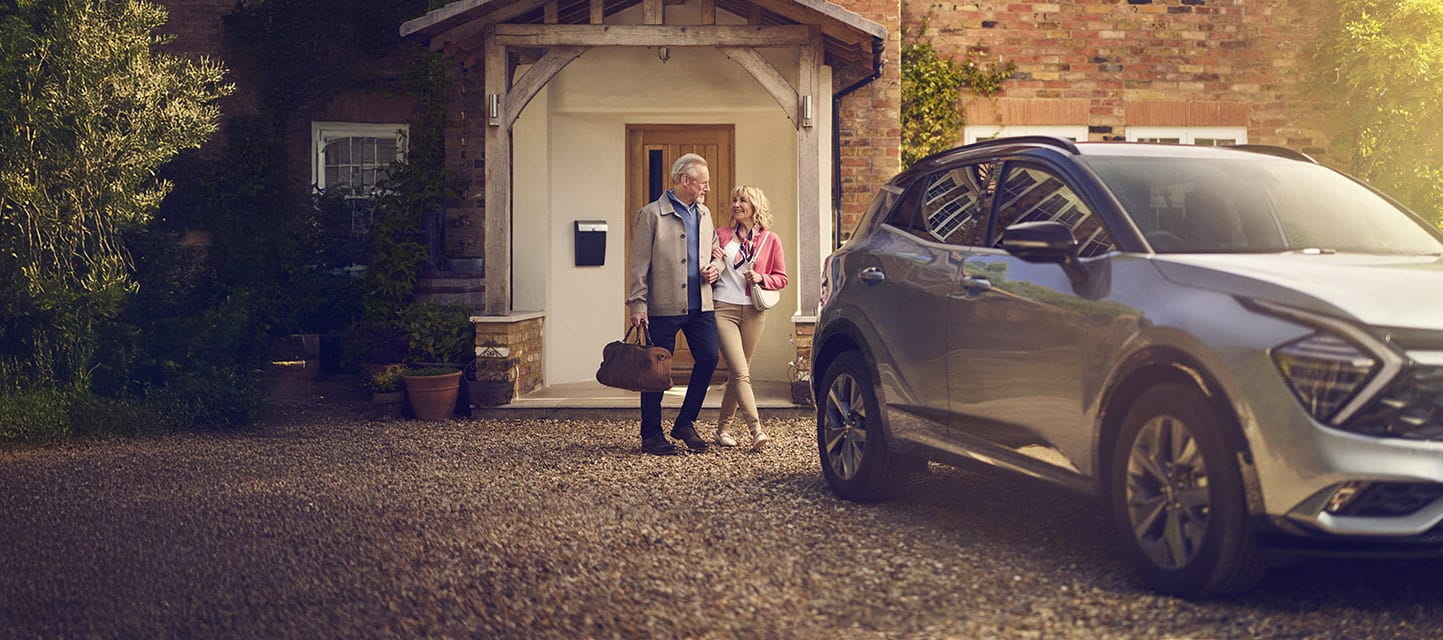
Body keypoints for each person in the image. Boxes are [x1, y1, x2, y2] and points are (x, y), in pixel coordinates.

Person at [627, 153, 724, 456]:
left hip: (701, 306)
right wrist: (638, 304)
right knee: (654, 373)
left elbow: (716, 250)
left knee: (708, 358)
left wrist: (716, 267)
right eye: (703, 183)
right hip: (662, 306)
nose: (707, 188)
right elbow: (638, 264)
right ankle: (651, 434)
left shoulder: (705, 214)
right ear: (685, 181)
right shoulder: (651, 214)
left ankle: (685, 422)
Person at [710, 185, 788, 451]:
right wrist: (711, 260)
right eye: (734, 199)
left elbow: (782, 278)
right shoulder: (720, 236)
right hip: (724, 308)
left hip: (754, 312)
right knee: (742, 372)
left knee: (738, 374)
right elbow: (707, 266)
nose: (736, 204)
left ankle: (722, 429)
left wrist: (761, 278)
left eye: (743, 200)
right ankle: (757, 431)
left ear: (755, 206)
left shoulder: (770, 240)